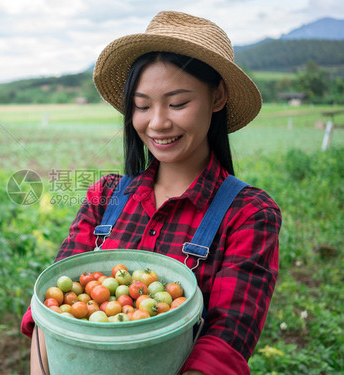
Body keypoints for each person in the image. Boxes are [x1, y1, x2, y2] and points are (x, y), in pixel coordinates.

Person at [21, 10, 281, 375]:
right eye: (142, 106)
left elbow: (228, 338)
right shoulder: (105, 195)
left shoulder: (248, 213)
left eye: (177, 104)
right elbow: (49, 310)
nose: (157, 122)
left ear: (218, 96)